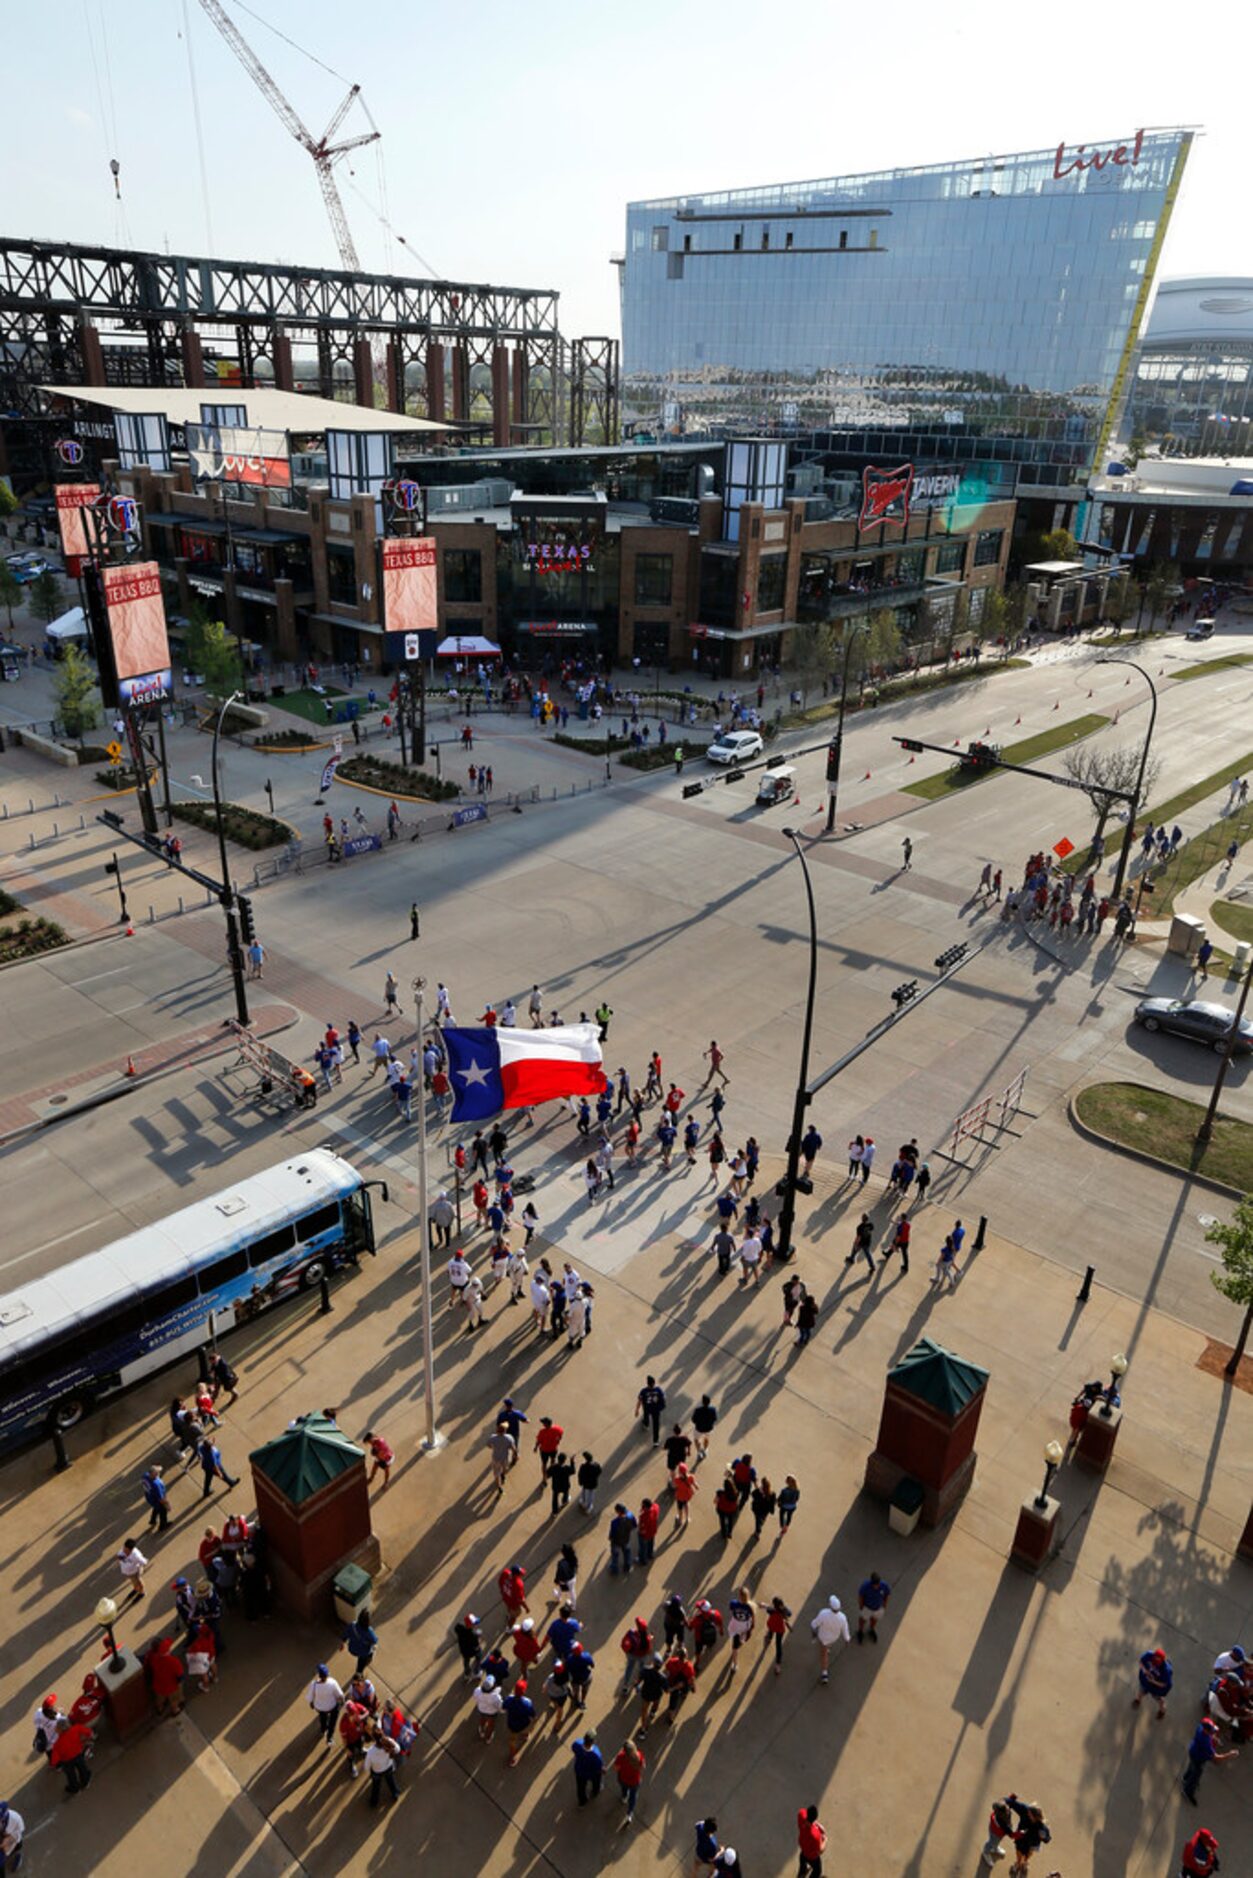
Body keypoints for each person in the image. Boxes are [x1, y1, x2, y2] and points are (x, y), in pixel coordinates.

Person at [1182, 1717, 1238, 1803]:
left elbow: (1210, 1734)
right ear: (1206, 1731)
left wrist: (1214, 1738)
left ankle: (1185, 1778)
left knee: (1191, 1766)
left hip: (1193, 1751)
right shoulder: (1206, 1743)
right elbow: (1217, 1758)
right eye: (1211, 1731)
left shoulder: (1200, 1727)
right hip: (1199, 1758)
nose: (1213, 1732)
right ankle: (1187, 1791)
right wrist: (1230, 1754)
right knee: (1196, 1774)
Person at [810, 1594, 850, 1683]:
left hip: (823, 1637)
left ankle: (824, 1673)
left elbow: (815, 1623)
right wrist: (847, 1639)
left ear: (830, 1606)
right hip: (834, 1638)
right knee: (828, 1646)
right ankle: (828, 1649)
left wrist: (812, 1627)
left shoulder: (823, 1613)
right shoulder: (842, 1617)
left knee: (823, 1654)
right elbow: (845, 1629)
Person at [307, 1663, 345, 1746]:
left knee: (323, 1718)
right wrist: (342, 1701)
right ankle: (329, 1738)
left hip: (320, 1708)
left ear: (319, 1675)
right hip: (332, 1706)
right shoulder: (332, 1683)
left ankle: (323, 1730)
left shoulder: (313, 1685)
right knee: (333, 1722)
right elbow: (340, 1695)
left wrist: (311, 1703)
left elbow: (310, 1697)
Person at [148, 1636, 185, 1718]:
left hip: (158, 1684)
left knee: (160, 1699)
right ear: (168, 1651)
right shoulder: (174, 1661)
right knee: (174, 1700)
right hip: (171, 1686)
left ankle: (160, 1709)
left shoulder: (154, 1658)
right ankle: (175, 1710)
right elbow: (180, 1676)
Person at [1133, 1645, 1173, 1718]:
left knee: (1160, 1701)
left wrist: (1153, 1681)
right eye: (1154, 1659)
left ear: (1162, 1661)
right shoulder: (1149, 1655)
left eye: (1158, 1661)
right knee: (1141, 1691)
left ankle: (1162, 1711)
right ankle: (1138, 1700)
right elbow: (1141, 1661)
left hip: (1156, 1689)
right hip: (1145, 1682)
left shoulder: (1166, 1670)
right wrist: (1144, 1670)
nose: (1155, 1663)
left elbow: (1164, 1684)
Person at [613, 1736, 645, 1822]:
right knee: (633, 1796)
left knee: (624, 1789)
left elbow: (616, 1768)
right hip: (635, 1781)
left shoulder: (621, 1756)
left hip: (623, 1778)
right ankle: (629, 1814)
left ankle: (624, 1798)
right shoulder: (639, 1756)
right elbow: (642, 1767)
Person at [760, 1594, 792, 1673]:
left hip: (772, 1625)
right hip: (780, 1629)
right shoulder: (785, 1610)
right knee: (778, 1645)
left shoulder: (772, 1610)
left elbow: (766, 1607)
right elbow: (790, 1613)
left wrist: (763, 1605)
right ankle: (778, 1665)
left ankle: (769, 1638)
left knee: (770, 1631)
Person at [857, 1571, 890, 1643]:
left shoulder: (884, 1585)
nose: (876, 1586)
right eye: (875, 1585)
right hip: (867, 1607)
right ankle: (860, 1631)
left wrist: (884, 1605)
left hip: (878, 1608)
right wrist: (861, 1606)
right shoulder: (865, 1586)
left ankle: (871, 1629)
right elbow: (861, 1596)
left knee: (874, 1619)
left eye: (877, 1584)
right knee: (863, 1619)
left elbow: (887, 1594)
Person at [572, 1730, 603, 1806]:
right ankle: (595, 1791)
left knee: (580, 1788)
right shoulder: (596, 1754)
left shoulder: (577, 1744)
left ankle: (582, 1802)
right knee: (596, 1782)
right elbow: (599, 1766)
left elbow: (573, 1748)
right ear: (593, 1742)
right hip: (592, 1773)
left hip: (579, 1770)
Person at [797, 1804, 828, 1878]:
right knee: (817, 1871)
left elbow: (804, 1813)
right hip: (812, 1857)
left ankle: (802, 1872)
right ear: (815, 1818)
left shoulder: (801, 1814)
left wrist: (815, 1823)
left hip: (803, 1848)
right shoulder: (816, 1835)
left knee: (802, 1860)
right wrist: (825, 1840)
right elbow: (820, 1850)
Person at [636, 1375, 666, 1445]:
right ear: (654, 1383)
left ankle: (646, 1425)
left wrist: (637, 1410)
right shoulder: (658, 1390)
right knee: (656, 1425)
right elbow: (664, 1398)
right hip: (656, 1410)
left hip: (647, 1408)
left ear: (647, 1383)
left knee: (646, 1416)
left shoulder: (643, 1391)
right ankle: (656, 1441)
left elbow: (640, 1401)